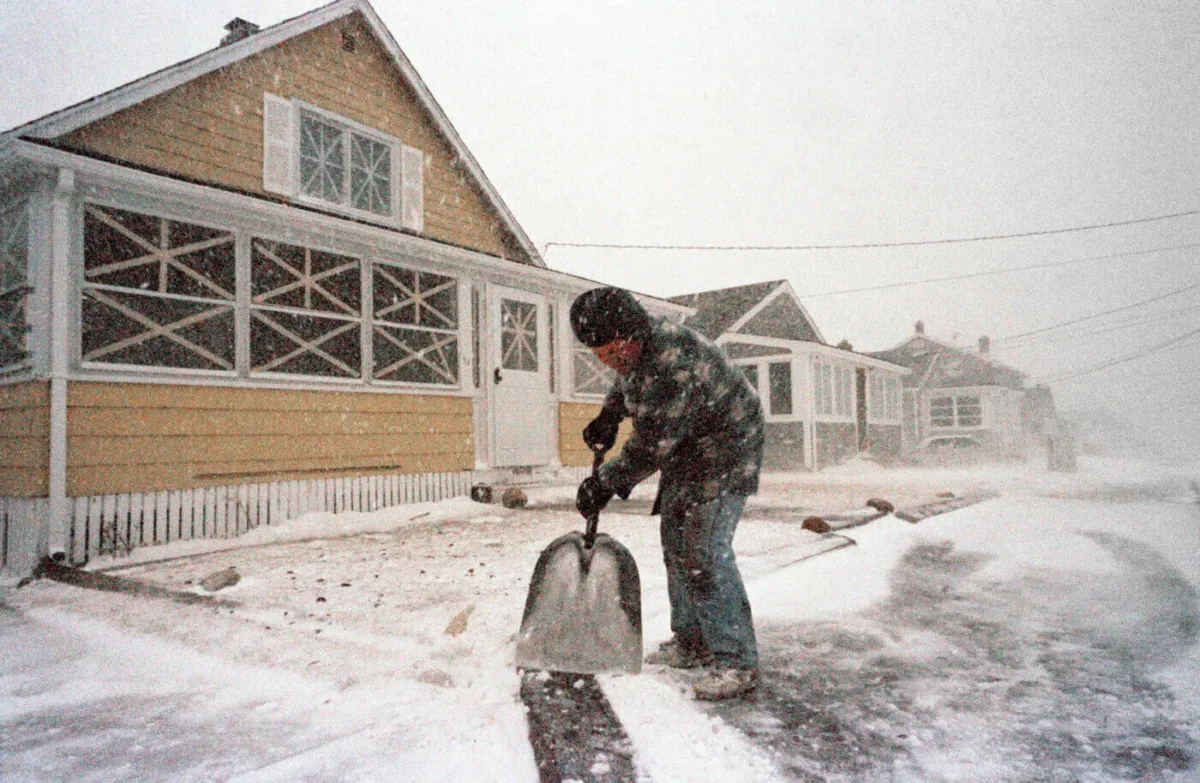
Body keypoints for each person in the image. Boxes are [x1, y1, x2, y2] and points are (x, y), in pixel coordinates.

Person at [569, 286, 765, 700]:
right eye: (598, 355)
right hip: (688, 445)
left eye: (609, 352)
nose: (606, 362)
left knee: (705, 552)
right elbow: (628, 380)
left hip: (725, 448)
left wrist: (604, 482)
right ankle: (692, 641)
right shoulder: (637, 348)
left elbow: (651, 446)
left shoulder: (673, 364)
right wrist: (610, 413)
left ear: (630, 335)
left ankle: (736, 661)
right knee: (676, 541)